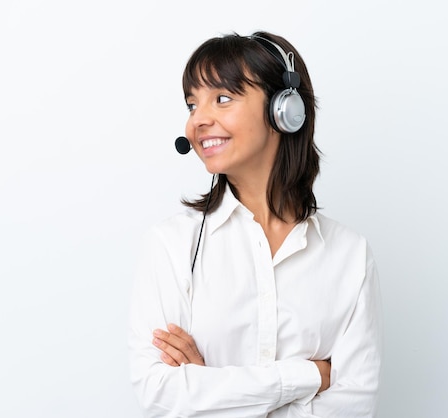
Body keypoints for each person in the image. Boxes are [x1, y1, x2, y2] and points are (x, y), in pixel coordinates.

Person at [129, 31, 383, 417]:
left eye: (223, 98)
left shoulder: (349, 254)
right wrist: (307, 377)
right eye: (192, 104)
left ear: (285, 109)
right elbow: (162, 397)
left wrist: (210, 387)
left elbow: (354, 407)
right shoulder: (170, 245)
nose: (198, 120)